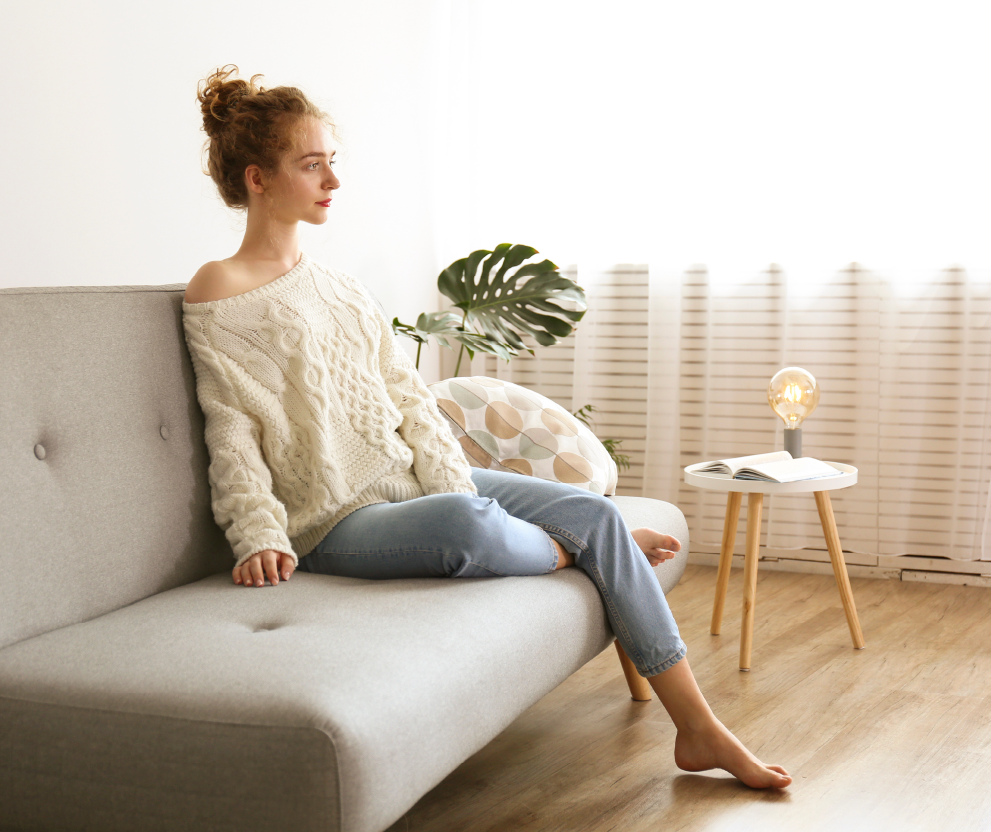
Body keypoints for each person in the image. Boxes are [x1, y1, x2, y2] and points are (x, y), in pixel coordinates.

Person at [182, 64, 792, 791]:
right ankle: (572, 552)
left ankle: (698, 729)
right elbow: (231, 428)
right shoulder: (217, 288)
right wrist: (258, 534)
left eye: (331, 163)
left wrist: (448, 479)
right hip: (333, 522)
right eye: (311, 165)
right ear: (258, 178)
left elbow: (409, 398)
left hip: (413, 486)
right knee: (474, 526)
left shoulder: (339, 286)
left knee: (586, 511)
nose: (332, 182)